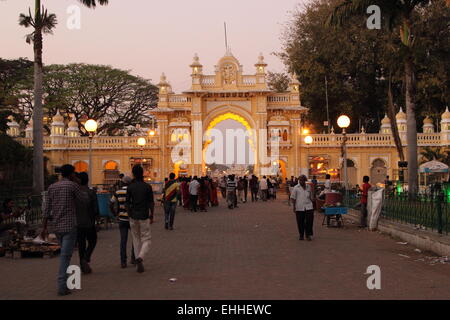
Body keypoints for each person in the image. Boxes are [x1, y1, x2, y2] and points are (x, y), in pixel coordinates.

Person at [41, 164, 88, 296]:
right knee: (65, 256)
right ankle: (62, 286)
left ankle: (66, 282)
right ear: (71, 174)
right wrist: (80, 184)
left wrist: (44, 227)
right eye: (74, 173)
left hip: (56, 226)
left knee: (64, 255)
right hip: (69, 227)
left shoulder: (52, 187)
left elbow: (46, 209)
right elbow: (84, 200)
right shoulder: (72, 186)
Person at [126, 165, 154, 273]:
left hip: (133, 216)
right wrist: (152, 215)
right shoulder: (147, 187)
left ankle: (139, 263)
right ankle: (140, 258)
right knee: (146, 239)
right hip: (144, 215)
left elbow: (127, 203)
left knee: (136, 240)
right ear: (142, 173)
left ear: (133, 174)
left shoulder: (130, 187)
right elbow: (151, 203)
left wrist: (129, 214)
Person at [75, 172, 99, 274]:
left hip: (77, 223)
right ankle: (86, 258)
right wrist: (96, 220)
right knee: (93, 241)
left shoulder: (75, 193)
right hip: (89, 222)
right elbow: (96, 209)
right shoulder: (91, 192)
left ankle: (82, 265)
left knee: (81, 244)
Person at [110, 175, 135, 268]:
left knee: (123, 241)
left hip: (122, 219)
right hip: (132, 219)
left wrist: (115, 214)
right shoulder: (133, 191)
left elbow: (111, 203)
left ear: (123, 182)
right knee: (135, 240)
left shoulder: (117, 192)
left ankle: (123, 262)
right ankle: (133, 258)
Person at [290, 175, 314, 241]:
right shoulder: (296, 188)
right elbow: (293, 198)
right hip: (299, 207)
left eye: (303, 180)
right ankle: (301, 235)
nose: (301, 181)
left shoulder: (308, 187)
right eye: (300, 180)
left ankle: (308, 235)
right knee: (300, 221)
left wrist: (313, 203)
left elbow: (311, 197)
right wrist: (294, 207)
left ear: (305, 180)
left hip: (309, 206)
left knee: (309, 221)